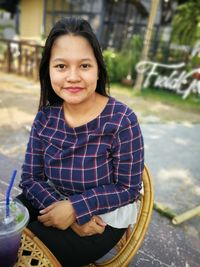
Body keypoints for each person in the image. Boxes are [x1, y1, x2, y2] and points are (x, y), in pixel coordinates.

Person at [17, 17, 144, 267]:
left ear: (98, 68)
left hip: (101, 219)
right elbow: (31, 179)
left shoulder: (121, 120)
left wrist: (77, 207)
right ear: (48, 69)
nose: (72, 77)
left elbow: (128, 188)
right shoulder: (45, 117)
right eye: (61, 66)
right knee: (6, 232)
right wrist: (68, 213)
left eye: (84, 66)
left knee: (27, 256)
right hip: (50, 198)